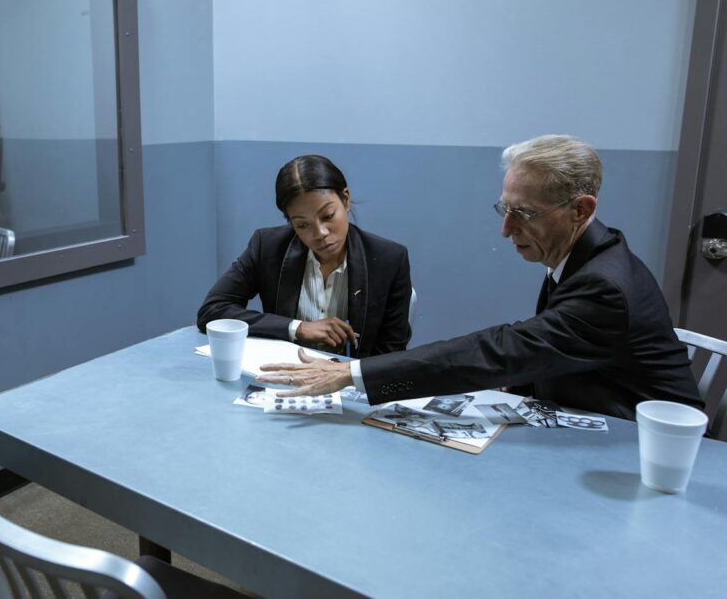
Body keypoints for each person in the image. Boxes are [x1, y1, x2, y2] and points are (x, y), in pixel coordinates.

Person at [258, 135, 703, 421]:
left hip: (643, 443)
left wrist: (353, 374)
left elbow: (504, 349)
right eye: (504, 209)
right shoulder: (578, 256)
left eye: (523, 214)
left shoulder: (605, 285)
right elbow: (547, 352)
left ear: (581, 210)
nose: (506, 230)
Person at [197, 154, 412, 358]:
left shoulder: (388, 260)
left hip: (352, 388)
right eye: (302, 224)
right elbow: (212, 310)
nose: (320, 233)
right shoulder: (268, 247)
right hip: (284, 380)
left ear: (345, 200)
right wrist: (297, 328)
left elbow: (392, 355)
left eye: (328, 216)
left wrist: (345, 374)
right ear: (290, 222)